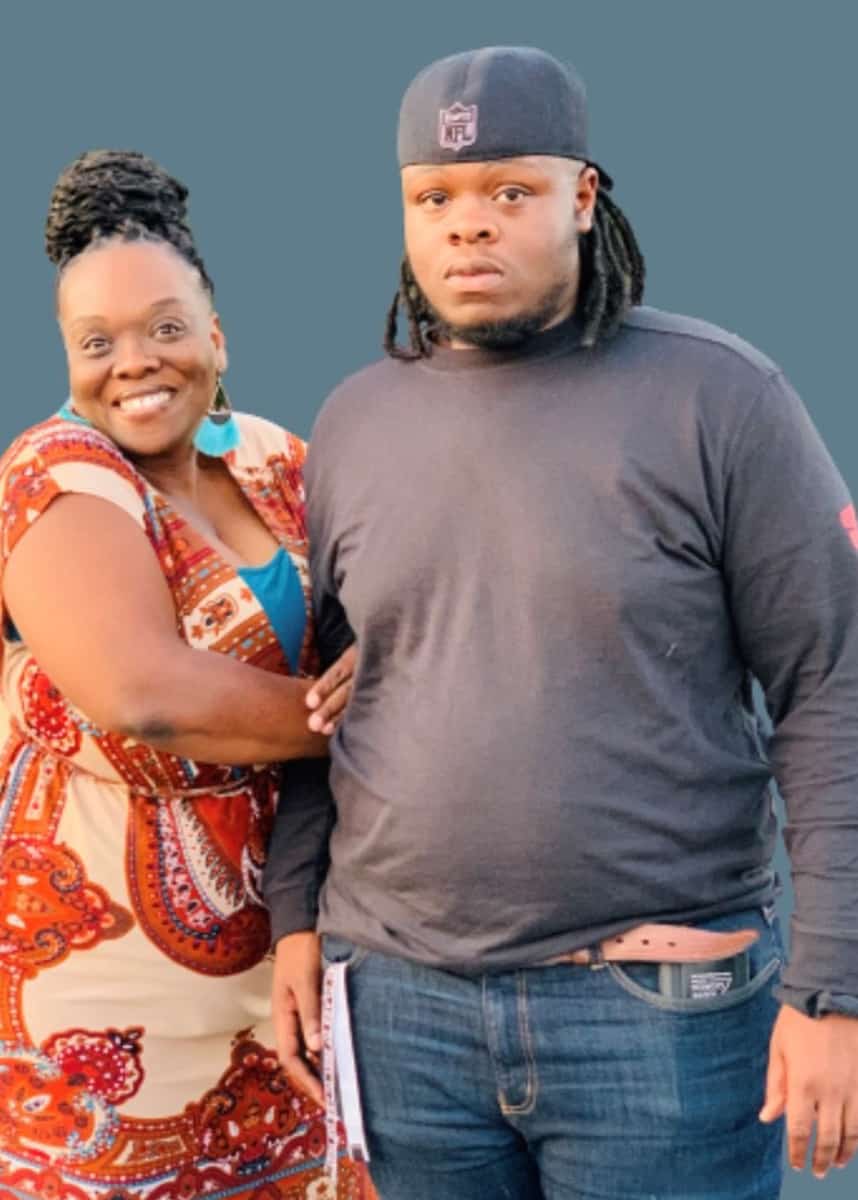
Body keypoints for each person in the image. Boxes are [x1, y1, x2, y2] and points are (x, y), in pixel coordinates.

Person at [265, 46, 858, 1200]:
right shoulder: (350, 423)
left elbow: (833, 688)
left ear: (584, 198)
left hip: (660, 1021)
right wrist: (297, 922)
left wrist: (833, 988)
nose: (466, 227)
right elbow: (327, 697)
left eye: (509, 192)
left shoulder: (721, 399)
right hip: (400, 1010)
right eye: (433, 199)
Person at [0, 150, 371, 1200]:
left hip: (295, 946)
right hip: (115, 986)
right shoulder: (56, 474)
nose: (135, 362)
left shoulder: (275, 459)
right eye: (96, 342)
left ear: (217, 334)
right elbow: (141, 692)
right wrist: (392, 723)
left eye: (166, 327)